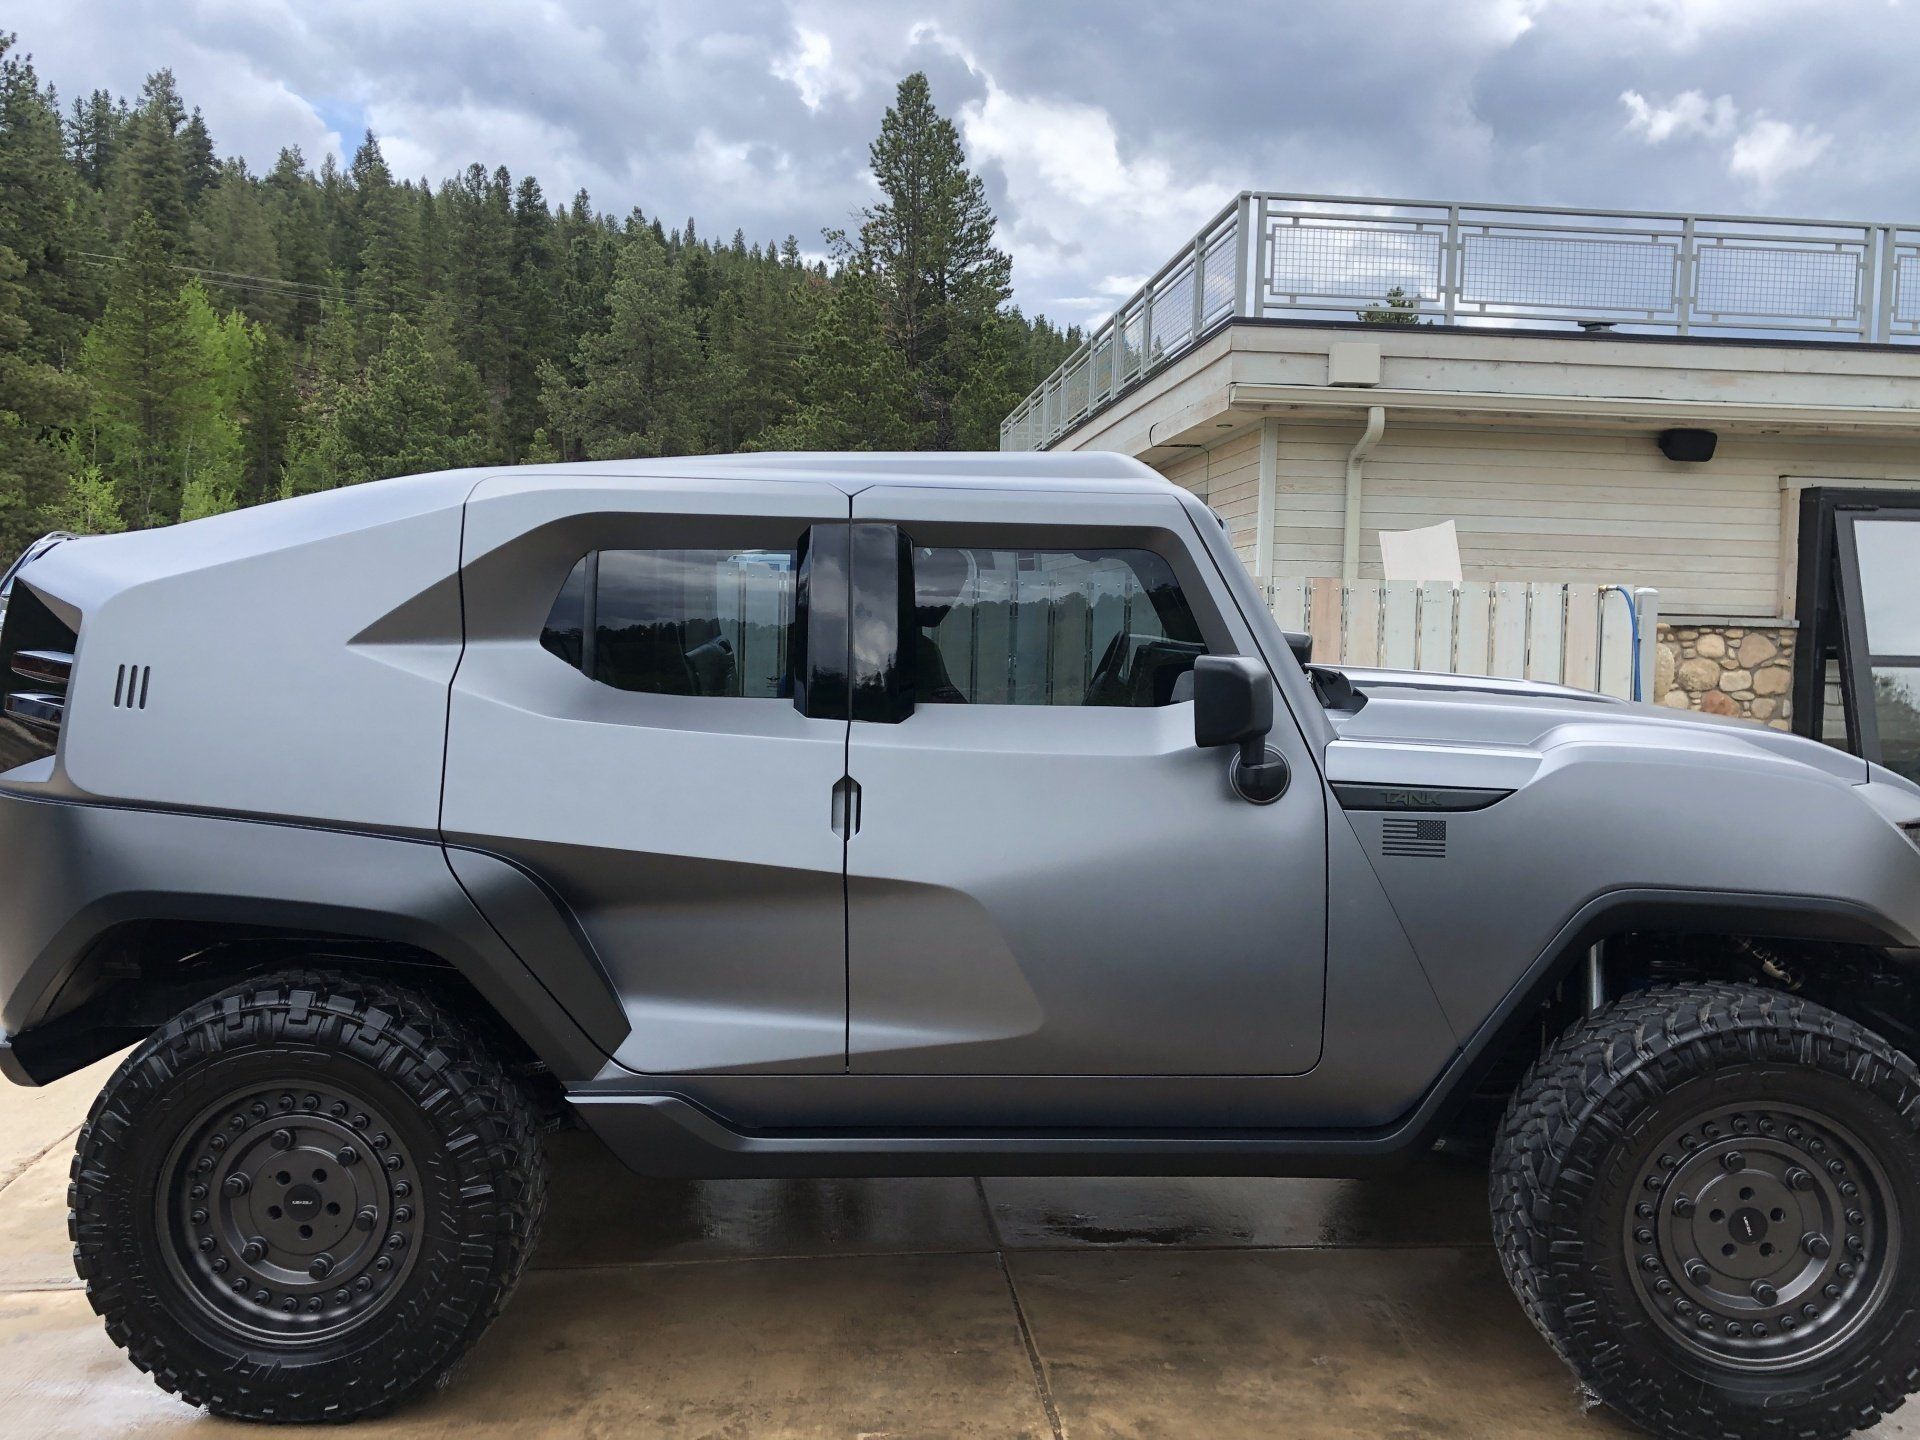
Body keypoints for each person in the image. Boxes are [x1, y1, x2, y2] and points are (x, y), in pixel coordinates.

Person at [911, 547, 970, 704]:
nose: (946, 601)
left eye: (951, 591)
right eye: (935, 589)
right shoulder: (918, 649)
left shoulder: (924, 647)